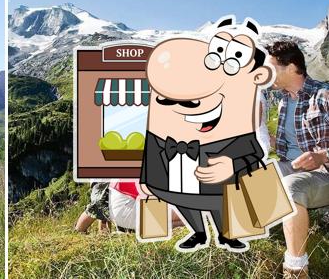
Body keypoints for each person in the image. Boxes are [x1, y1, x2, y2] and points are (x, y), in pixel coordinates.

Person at [140, 17, 272, 252]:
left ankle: (227, 234)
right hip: (194, 154)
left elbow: (248, 140)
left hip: (225, 156)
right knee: (185, 194)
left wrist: (233, 164)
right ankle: (199, 233)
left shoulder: (245, 97)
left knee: (219, 194)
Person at [266, 41, 328, 279]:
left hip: (323, 173)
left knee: (291, 189)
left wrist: (322, 155)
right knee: (249, 174)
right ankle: (245, 235)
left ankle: (296, 269)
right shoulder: (283, 101)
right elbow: (284, 146)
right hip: (290, 166)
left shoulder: (322, 95)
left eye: (272, 68)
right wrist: (263, 137)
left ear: (291, 67)